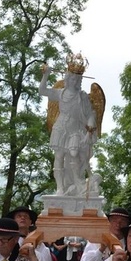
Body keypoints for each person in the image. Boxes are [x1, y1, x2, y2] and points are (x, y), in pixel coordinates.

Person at [39, 53, 104, 196]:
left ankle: (77, 184)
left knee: (74, 155)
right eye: (74, 79)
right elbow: (42, 91)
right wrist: (45, 75)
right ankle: (60, 189)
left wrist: (90, 127)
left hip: (76, 129)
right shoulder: (60, 93)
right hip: (61, 127)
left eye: (79, 79)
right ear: (68, 79)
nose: (77, 82)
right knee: (59, 157)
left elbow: (91, 114)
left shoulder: (83, 97)